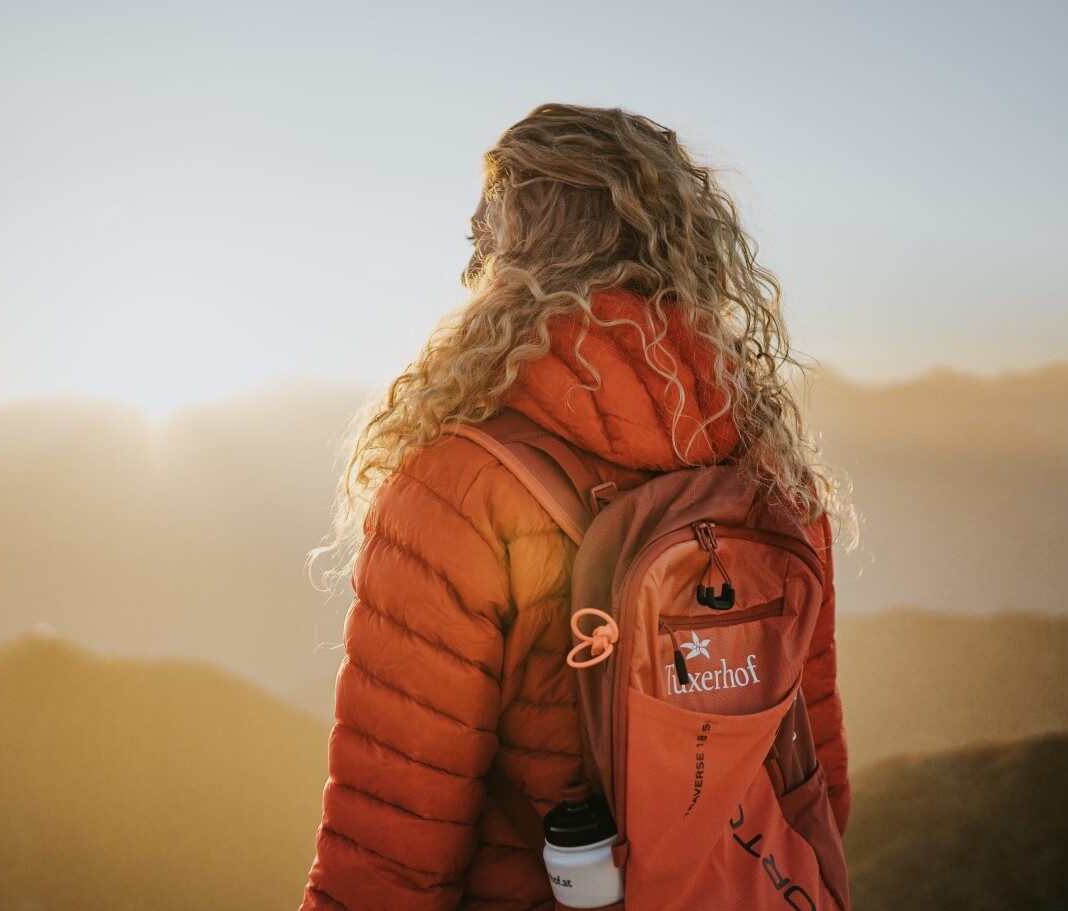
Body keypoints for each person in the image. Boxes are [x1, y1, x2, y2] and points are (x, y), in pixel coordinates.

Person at [299, 103, 856, 911]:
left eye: (479, 241)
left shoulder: (458, 486)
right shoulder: (776, 485)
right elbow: (816, 781)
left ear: (510, 253)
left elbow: (388, 846)